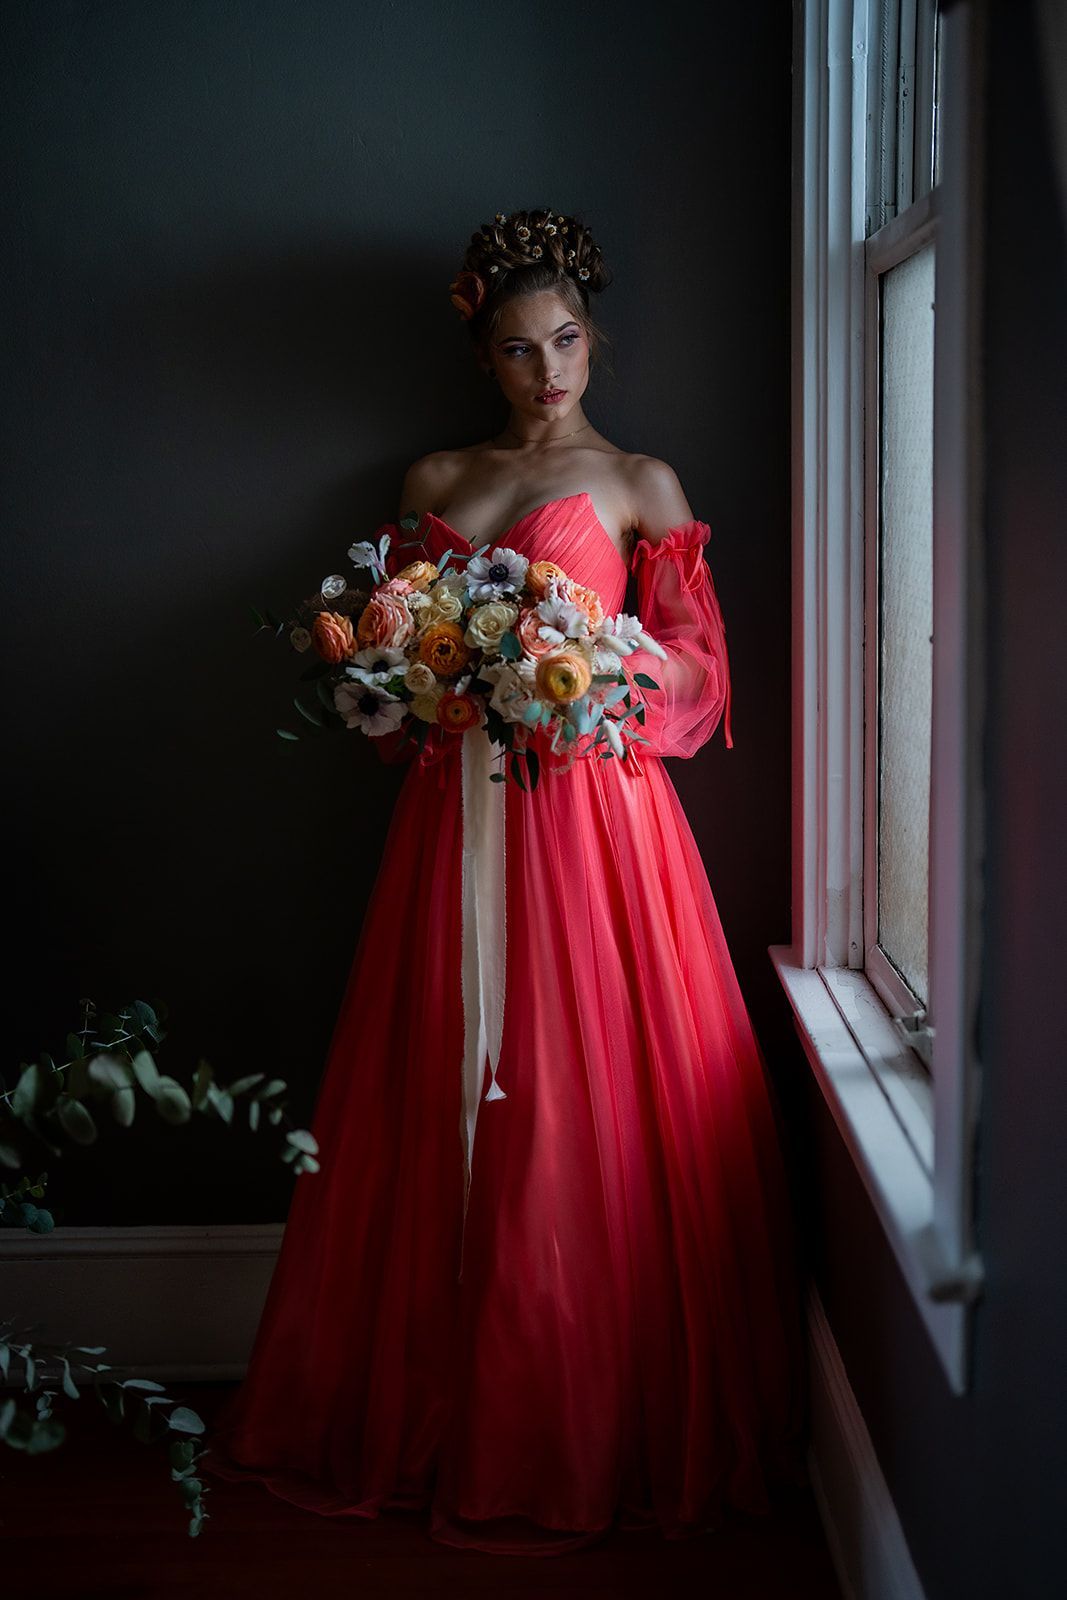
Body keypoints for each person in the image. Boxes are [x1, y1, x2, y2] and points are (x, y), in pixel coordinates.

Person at [203, 206, 808, 1555]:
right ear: (485, 352)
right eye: (524, 349)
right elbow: (391, 664)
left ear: (597, 338)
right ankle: (449, 1397)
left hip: (601, 833)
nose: (552, 371)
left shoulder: (646, 482)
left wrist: (595, 672)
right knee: (446, 1087)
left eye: (570, 341)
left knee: (588, 1105)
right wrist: (389, 685)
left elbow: (701, 683)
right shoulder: (437, 479)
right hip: (457, 824)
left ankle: (584, 1405)